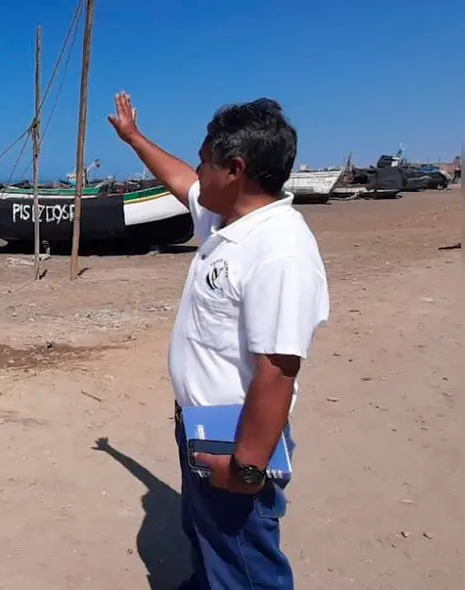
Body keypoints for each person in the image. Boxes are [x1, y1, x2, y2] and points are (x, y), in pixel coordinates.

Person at [107, 93, 330, 589]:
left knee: (245, 561)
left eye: (206, 161)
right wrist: (134, 138)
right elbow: (181, 180)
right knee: (209, 538)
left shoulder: (279, 251)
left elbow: (277, 369)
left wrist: (245, 470)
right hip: (203, 428)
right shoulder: (227, 219)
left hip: (237, 441)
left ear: (235, 168)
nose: (198, 171)